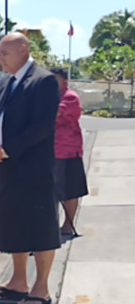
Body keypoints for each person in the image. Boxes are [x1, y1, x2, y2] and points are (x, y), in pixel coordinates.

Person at [0, 32, 61, 304]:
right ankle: (17, 281)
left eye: (5, 53)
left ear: (24, 50)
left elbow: (42, 126)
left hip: (33, 169)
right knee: (12, 221)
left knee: (39, 225)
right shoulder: (5, 83)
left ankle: (41, 288)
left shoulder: (44, 80)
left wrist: (9, 148)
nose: (0, 58)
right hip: (6, 168)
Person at [50, 67, 88, 235]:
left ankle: (68, 225)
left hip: (69, 151)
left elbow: (56, 113)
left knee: (70, 190)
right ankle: (52, 224)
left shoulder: (70, 97)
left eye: (54, 80)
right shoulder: (49, 98)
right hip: (49, 152)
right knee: (52, 190)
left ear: (64, 82)